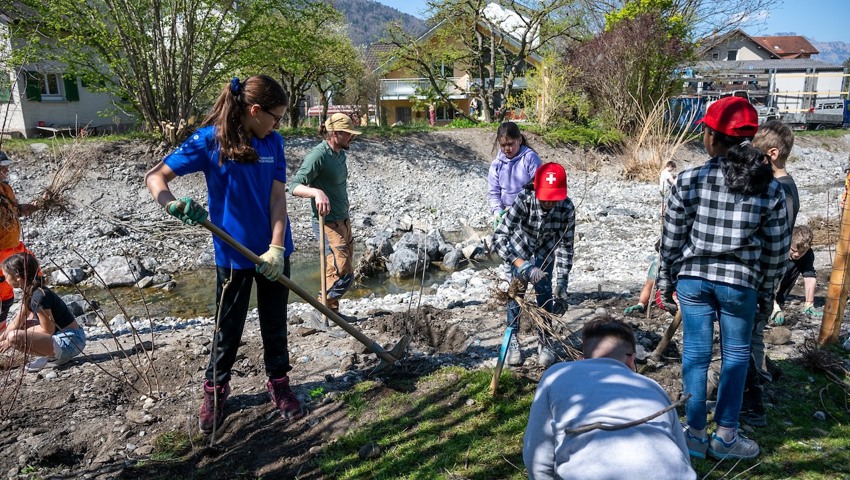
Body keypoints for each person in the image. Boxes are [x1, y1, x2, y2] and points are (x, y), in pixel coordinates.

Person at [145, 75, 301, 433]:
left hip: (274, 252)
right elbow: (155, 177)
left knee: (275, 323)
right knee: (227, 328)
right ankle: (215, 391)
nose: (278, 125)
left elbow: (278, 199)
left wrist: (277, 247)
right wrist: (172, 206)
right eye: (275, 117)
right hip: (232, 255)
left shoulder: (273, 143)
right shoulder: (209, 141)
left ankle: (279, 383)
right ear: (254, 110)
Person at [657, 96, 789, 460]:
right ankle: (726, 437)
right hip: (740, 284)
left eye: (705, 132)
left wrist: (667, 280)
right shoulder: (770, 187)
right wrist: (766, 291)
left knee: (695, 357)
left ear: (714, 138)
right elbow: (777, 250)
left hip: (694, 280)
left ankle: (695, 434)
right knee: (734, 357)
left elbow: (672, 238)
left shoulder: (690, 179)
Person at [523, 314, 696, 480]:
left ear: (582, 360)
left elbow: (537, 455)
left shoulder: (557, 374)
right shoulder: (653, 387)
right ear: (631, 361)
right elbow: (682, 452)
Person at [740, 119, 798, 426]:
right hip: (758, 276)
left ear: (772, 154)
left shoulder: (782, 192)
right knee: (751, 335)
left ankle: (755, 392)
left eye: (757, 152)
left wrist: (768, 288)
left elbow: (777, 242)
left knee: (751, 337)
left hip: (763, 277)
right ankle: (758, 379)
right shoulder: (775, 187)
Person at [493, 162, 575, 368]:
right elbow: (499, 236)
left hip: (544, 253)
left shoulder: (567, 209)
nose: (548, 202)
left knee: (545, 293)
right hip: (520, 249)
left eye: (552, 199)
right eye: (544, 197)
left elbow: (566, 247)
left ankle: (545, 340)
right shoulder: (524, 199)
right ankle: (512, 338)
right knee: (515, 296)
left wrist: (562, 284)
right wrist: (520, 264)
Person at [289, 113, 362, 321]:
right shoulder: (317, 155)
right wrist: (316, 193)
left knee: (337, 269)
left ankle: (331, 313)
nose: (352, 138)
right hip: (326, 222)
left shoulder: (340, 154)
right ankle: (321, 309)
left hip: (343, 220)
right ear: (336, 133)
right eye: (348, 134)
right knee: (343, 272)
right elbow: (294, 186)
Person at [0, 252, 85, 373]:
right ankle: (51, 356)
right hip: (63, 337)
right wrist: (2, 338)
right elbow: (17, 321)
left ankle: (54, 357)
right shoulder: (30, 291)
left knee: (14, 337)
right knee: (21, 327)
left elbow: (48, 330)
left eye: (5, 276)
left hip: (71, 341)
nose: (5, 280)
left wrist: (10, 339)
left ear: (17, 277)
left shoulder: (39, 296)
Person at [0, 151, 42, 325]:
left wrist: (38, 204)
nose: (6, 170)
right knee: (3, 291)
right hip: (1, 249)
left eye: (7, 167)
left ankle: (36, 311)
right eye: (3, 167)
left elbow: (16, 210)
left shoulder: (5, 188)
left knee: (36, 274)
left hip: (15, 245)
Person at [488, 122, 542, 230]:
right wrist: (497, 211)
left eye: (510, 144)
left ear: (520, 140)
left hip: (528, 213)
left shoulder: (530, 158)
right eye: (503, 145)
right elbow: (493, 193)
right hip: (505, 213)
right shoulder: (496, 164)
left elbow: (539, 188)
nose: (507, 149)